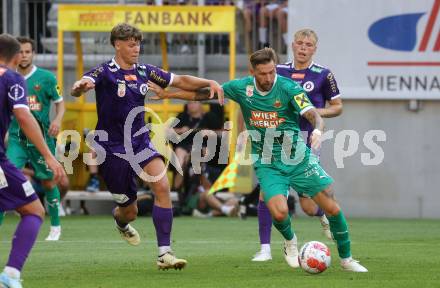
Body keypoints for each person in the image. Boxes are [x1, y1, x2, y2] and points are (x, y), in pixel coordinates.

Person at [148, 47, 368, 272]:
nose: (269, 77)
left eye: (272, 72)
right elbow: (203, 94)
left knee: (330, 207)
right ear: (252, 72)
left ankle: (347, 259)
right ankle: (290, 242)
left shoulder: (289, 87)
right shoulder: (241, 88)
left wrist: (318, 131)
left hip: (298, 157)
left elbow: (312, 114)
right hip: (268, 161)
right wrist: (169, 94)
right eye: (263, 73)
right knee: (279, 211)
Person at [70, 23, 223, 270]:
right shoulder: (105, 72)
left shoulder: (144, 71)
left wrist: (209, 81)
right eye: (131, 44)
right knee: (128, 211)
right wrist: (79, 88)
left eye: (138, 43)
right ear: (117, 45)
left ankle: (165, 253)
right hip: (112, 148)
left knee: (162, 186)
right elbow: (83, 83)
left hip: (140, 142)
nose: (136, 48)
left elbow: (181, 80)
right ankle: (120, 222)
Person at [250, 28, 344, 261]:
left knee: (309, 206)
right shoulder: (278, 71)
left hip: (306, 139)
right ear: (292, 45)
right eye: (300, 43)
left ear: (315, 48)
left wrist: (312, 111)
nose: (303, 48)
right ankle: (265, 248)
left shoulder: (324, 74)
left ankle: (323, 215)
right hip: (275, 139)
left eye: (308, 44)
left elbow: (337, 106)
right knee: (266, 192)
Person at [0, 33, 65, 288]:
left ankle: (56, 228)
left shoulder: (46, 78)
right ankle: (11, 274)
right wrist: (50, 156)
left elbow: (60, 104)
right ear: (16, 57)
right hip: (13, 145)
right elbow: (24, 117)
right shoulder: (12, 79)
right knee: (33, 211)